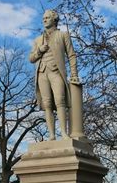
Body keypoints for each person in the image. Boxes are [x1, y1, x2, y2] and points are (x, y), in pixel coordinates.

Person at [29, 9, 80, 140]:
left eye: (47, 18)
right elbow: (31, 58)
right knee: (47, 104)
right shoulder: (38, 39)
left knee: (60, 100)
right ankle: (51, 135)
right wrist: (39, 51)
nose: (44, 20)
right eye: (43, 18)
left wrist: (74, 73)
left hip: (56, 72)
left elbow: (71, 55)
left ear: (54, 19)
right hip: (42, 72)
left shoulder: (63, 35)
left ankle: (63, 133)